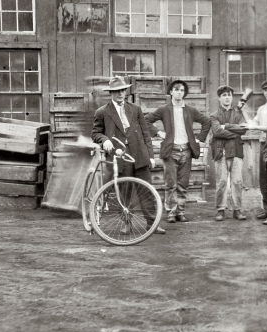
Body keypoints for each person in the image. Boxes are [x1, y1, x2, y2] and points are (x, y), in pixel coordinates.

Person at [91, 76, 165, 234]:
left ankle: (152, 223)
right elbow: (95, 134)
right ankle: (126, 223)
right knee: (124, 191)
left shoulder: (135, 109)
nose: (120, 94)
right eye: (117, 91)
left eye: (122, 90)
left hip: (139, 155)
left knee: (146, 190)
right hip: (120, 157)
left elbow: (146, 134)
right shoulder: (103, 112)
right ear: (111, 93)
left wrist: (150, 156)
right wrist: (104, 140)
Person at [145, 79, 212, 224]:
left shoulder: (190, 110)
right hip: (171, 151)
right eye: (176, 89)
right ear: (171, 92)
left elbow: (207, 121)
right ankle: (171, 212)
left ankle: (181, 212)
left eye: (182, 90)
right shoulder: (164, 109)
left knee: (183, 184)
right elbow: (146, 120)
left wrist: (199, 138)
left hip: (186, 150)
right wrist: (158, 133)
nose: (179, 92)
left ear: (184, 93)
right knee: (171, 184)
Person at [208, 85, 248, 221]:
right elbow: (217, 131)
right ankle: (220, 210)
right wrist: (233, 132)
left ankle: (237, 210)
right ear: (219, 98)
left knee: (237, 181)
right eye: (224, 95)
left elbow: (243, 129)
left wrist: (226, 127)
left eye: (229, 95)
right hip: (220, 152)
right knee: (222, 181)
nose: (227, 98)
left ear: (232, 97)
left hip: (236, 150)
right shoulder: (214, 115)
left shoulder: (238, 113)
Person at [245, 81, 267, 219]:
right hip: (264, 143)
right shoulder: (262, 109)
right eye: (265, 90)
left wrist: (255, 127)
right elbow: (254, 122)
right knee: (264, 178)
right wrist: (248, 121)